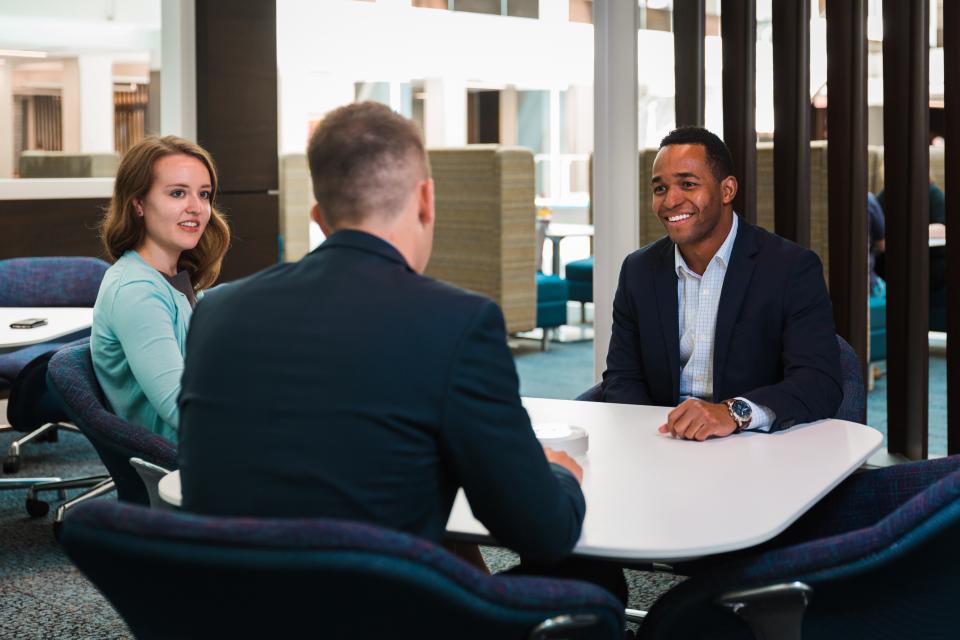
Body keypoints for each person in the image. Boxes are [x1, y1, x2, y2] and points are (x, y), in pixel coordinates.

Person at [176, 103, 621, 596]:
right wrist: (558, 474)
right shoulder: (457, 321)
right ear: (426, 200)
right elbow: (542, 530)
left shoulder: (216, 312)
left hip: (231, 612)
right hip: (384, 614)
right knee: (594, 579)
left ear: (319, 218)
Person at [601, 126, 842, 439]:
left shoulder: (790, 268)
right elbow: (623, 377)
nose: (670, 200)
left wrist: (733, 412)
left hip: (753, 444)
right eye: (660, 189)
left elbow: (819, 381)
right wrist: (651, 440)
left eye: (688, 184)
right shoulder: (638, 270)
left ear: (727, 190)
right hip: (665, 442)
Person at [91, 136, 230, 442]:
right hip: (191, 458)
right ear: (138, 204)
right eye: (178, 193)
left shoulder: (175, 279)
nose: (196, 207)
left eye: (204, 194)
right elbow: (184, 409)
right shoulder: (136, 290)